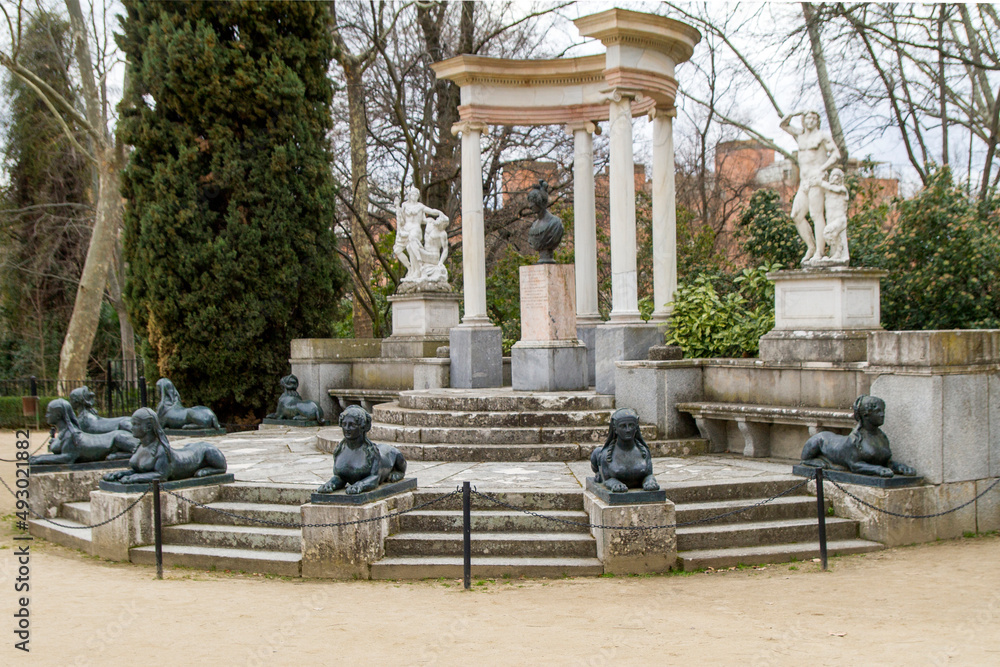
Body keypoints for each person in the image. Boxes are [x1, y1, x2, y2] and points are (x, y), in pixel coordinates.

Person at [779, 110, 842, 264]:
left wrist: (822, 169)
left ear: (817, 121)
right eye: (808, 118)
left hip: (817, 179)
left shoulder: (822, 136)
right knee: (796, 215)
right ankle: (811, 246)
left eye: (814, 118)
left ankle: (820, 252)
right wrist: (795, 112)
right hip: (804, 181)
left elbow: (836, 155)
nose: (811, 121)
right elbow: (783, 124)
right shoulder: (800, 135)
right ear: (804, 120)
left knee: (816, 215)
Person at [393, 186, 448, 283]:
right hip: (406, 229)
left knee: (411, 245)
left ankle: (418, 269)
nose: (415, 196)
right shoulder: (405, 205)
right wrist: (398, 209)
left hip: (415, 229)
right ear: (409, 195)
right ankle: (410, 269)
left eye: (416, 195)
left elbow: (431, 211)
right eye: (413, 194)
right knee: (397, 250)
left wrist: (439, 213)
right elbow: (401, 219)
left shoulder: (420, 206)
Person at [820, 168, 849, 262]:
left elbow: (833, 188)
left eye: (837, 175)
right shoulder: (828, 190)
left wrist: (820, 182)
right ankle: (836, 254)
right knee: (836, 237)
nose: (834, 178)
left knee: (828, 232)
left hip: (840, 219)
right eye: (832, 175)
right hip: (831, 218)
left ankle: (838, 253)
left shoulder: (842, 189)